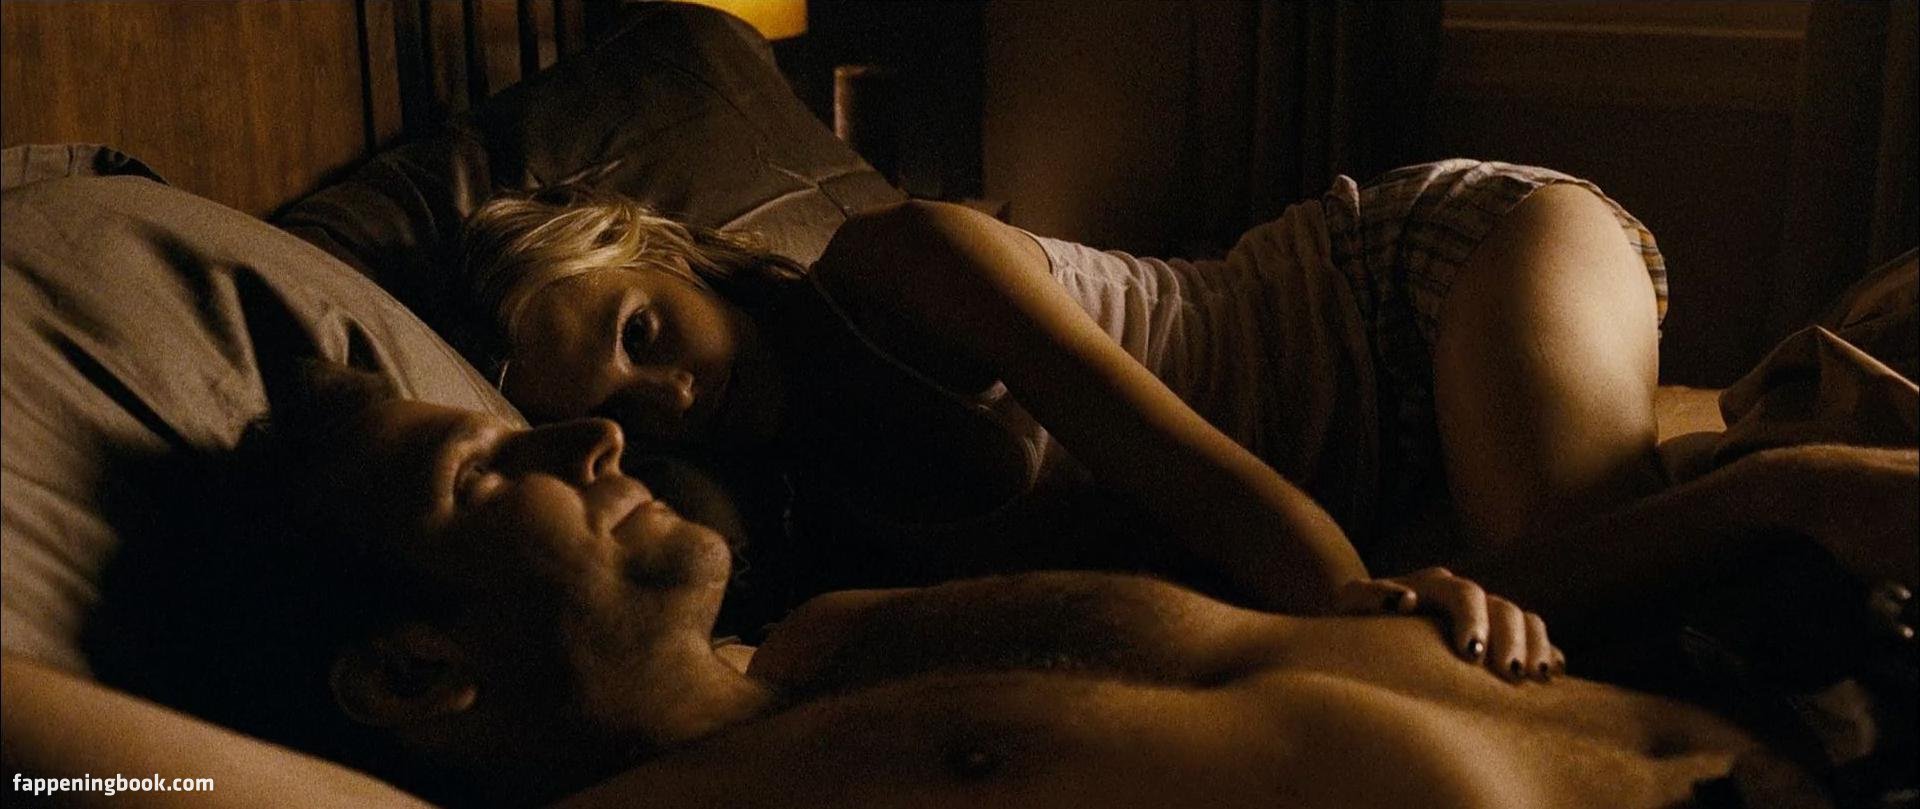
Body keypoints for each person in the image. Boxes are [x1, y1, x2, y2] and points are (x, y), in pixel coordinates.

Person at [6, 364, 1910, 809]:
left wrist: (1444, 611)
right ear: (416, 670)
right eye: (485, 471)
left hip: (1799, 718)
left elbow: (1358, 640)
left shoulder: (841, 635)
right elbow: (64, 753)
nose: (584, 432)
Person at [455, 160, 1675, 627]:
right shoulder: (778, 514)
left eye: (641, 331)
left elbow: (1183, 471)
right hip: (1384, 482)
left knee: (1589, 594)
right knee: (1523, 608)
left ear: (667, 254)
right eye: (622, 408)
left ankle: (1778, 486)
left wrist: (1351, 608)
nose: (670, 396)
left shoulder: (900, 260)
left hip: (1401, 287)